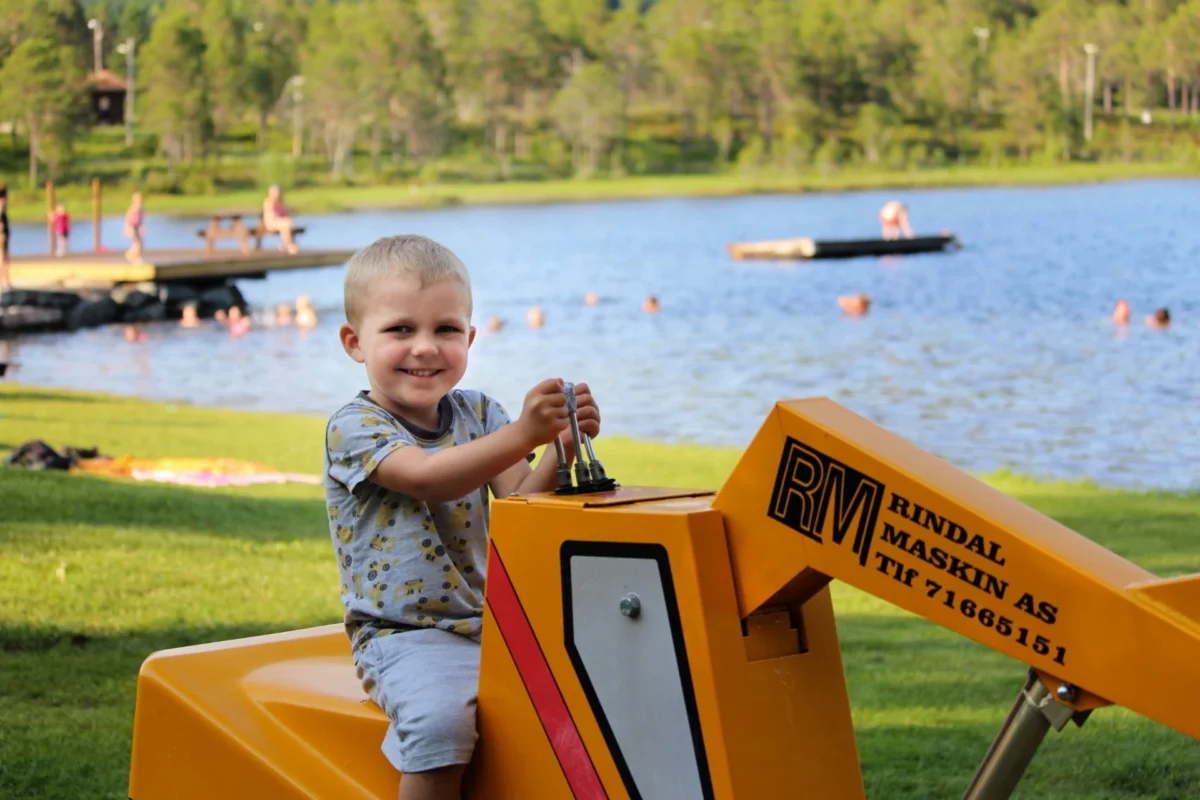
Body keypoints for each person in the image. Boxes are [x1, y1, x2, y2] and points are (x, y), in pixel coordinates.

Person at [324, 234, 601, 800]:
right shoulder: (354, 427)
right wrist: (525, 432)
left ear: (470, 338)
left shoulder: (479, 412)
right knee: (441, 726)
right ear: (355, 342)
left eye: (445, 329)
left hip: (490, 622)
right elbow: (429, 476)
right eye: (401, 329)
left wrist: (560, 449)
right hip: (403, 631)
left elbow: (522, 499)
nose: (425, 347)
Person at [262, 185, 300, 254]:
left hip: (281, 223)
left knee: (288, 223)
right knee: (286, 224)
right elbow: (271, 216)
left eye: (277, 193)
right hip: (271, 223)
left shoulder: (280, 202)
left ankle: (285, 244)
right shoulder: (268, 202)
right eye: (274, 193)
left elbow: (287, 213)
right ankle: (289, 245)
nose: (276, 195)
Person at [123, 192, 146, 264]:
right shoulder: (133, 208)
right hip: (131, 227)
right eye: (138, 199)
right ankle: (129, 254)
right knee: (137, 243)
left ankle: (138, 258)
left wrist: (142, 227)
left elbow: (141, 220)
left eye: (140, 199)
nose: (140, 201)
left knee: (140, 243)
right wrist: (128, 227)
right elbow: (128, 218)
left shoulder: (141, 209)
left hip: (137, 227)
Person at [0, 184, 10, 291]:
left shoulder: (3, 209)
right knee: (2, 259)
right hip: (2, 235)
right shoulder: (0, 208)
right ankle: (3, 282)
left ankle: (6, 280)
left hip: (5, 234)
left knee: (5, 258)